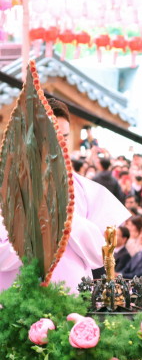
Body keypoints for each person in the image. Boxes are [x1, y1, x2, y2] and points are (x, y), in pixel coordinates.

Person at [0, 98, 131, 291]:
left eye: (65, 136)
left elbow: (99, 256)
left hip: (71, 304)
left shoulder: (84, 188)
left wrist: (66, 219)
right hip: (19, 303)